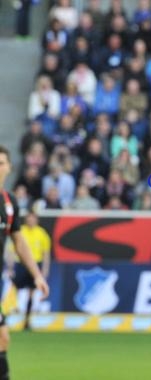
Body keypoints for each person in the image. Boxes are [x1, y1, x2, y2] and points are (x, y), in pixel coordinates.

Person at [0, 145, 49, 379]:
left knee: (2, 338)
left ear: (9, 167)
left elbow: (19, 242)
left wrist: (38, 275)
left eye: (1, 163)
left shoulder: (9, 203)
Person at [6, 210, 50, 331]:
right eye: (29, 218)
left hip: (36, 264)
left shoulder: (42, 233)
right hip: (21, 263)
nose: (31, 220)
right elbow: (11, 249)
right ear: (26, 219)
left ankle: (27, 319)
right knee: (13, 289)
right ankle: (5, 318)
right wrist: (10, 267)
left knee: (32, 292)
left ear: (37, 219)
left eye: (33, 218)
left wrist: (44, 271)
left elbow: (46, 254)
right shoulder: (20, 231)